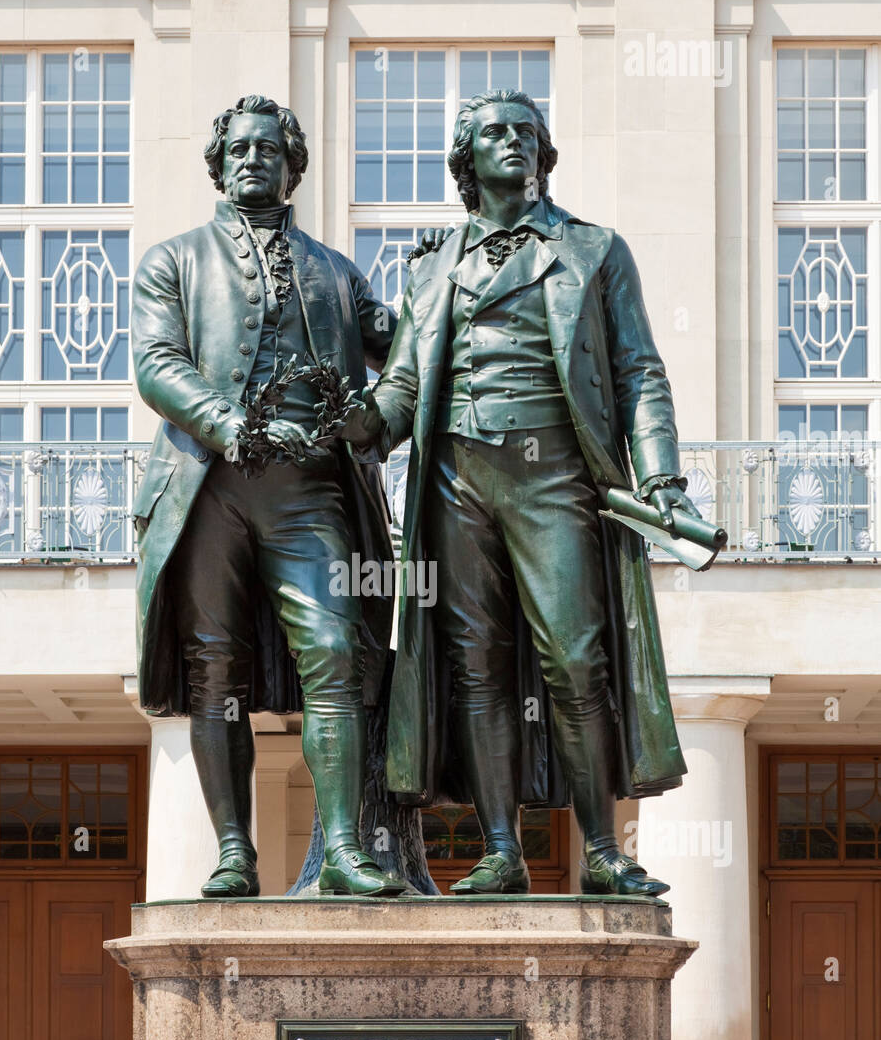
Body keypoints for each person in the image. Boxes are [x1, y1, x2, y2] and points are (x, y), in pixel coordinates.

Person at [348, 89, 698, 897]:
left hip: (554, 479)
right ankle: (500, 848)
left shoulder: (592, 249)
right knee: (476, 668)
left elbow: (639, 371)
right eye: (493, 133)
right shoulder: (432, 265)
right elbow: (401, 387)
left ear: (544, 154)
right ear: (465, 160)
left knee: (575, 661)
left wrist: (662, 476)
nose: (512, 142)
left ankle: (602, 853)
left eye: (526, 132)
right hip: (455, 481)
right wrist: (353, 424)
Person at [131, 94, 409, 897]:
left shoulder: (336, 272)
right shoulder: (172, 260)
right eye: (240, 150)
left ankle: (348, 850)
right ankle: (232, 851)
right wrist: (234, 425)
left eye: (269, 149)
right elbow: (157, 364)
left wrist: (373, 418)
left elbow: (409, 356)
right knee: (215, 670)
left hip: (310, 492)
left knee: (334, 653)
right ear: (219, 167)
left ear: (293, 167)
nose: (254, 159)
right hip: (207, 485)